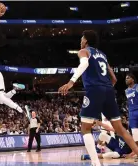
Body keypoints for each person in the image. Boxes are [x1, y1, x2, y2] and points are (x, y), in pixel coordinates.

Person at [58, 30, 138, 166]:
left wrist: (71, 82)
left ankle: (95, 164)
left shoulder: (83, 51)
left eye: (82, 38)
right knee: (120, 129)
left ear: (86, 40)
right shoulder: (103, 55)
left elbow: (83, 65)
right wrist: (106, 87)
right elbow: (113, 77)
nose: (80, 41)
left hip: (94, 90)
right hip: (108, 90)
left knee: (85, 128)